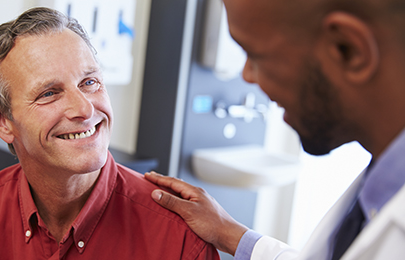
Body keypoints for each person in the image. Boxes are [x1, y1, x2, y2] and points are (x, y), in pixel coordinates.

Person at [0, 7, 219, 260]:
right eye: (49, 93)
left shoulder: (181, 239)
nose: (84, 108)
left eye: (90, 82)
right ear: (1, 120)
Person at [144, 0, 405, 259]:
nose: (247, 76)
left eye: (255, 55)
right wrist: (229, 233)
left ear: (349, 50)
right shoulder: (380, 188)